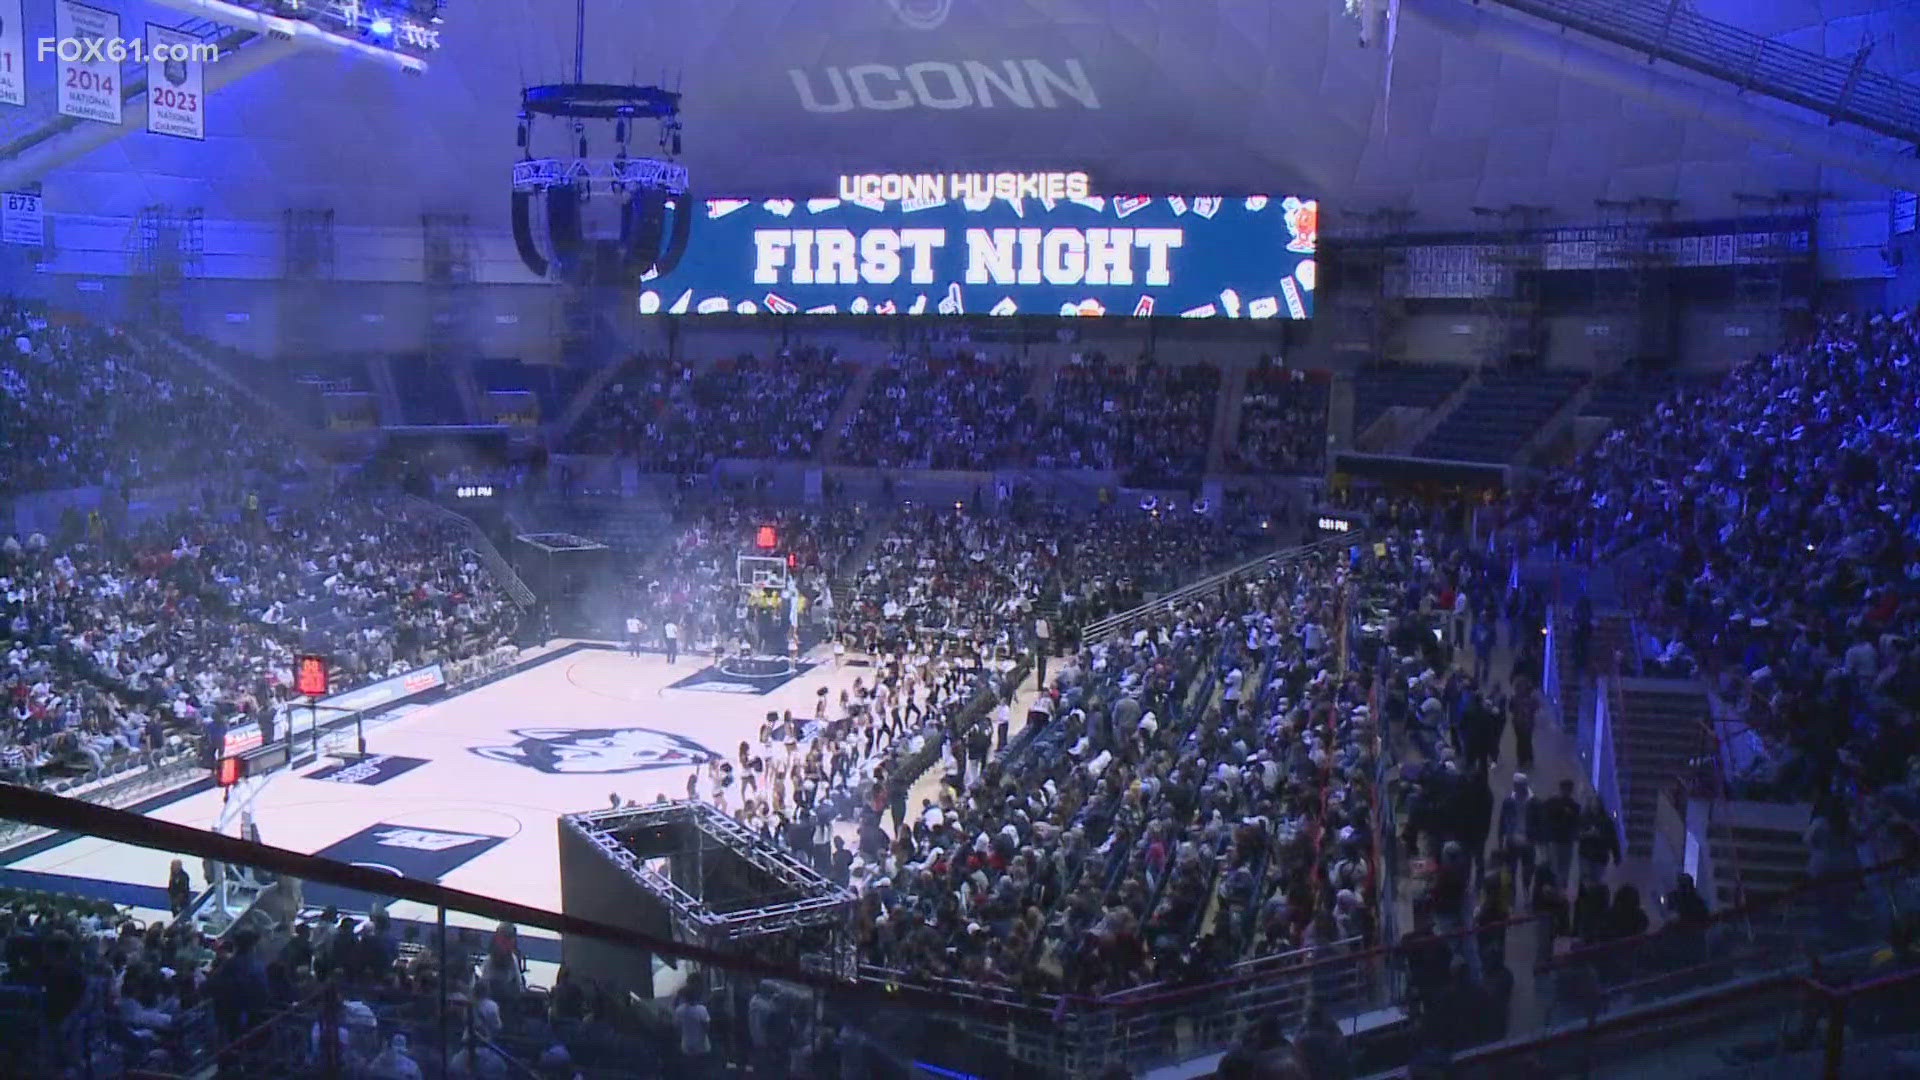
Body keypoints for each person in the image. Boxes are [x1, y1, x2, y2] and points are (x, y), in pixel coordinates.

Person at [1538, 779, 1580, 889]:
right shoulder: (1557, 803)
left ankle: (1559, 888)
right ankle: (1559, 888)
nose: (1565, 792)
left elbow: (1576, 822)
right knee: (1560, 867)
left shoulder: (1572, 806)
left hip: (1562, 840)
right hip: (1558, 839)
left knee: (1560, 867)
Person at [1576, 797, 1621, 890]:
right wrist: (1586, 834)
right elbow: (1576, 833)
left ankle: (1592, 898)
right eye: (1594, 804)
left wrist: (1617, 855)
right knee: (1585, 878)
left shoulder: (1606, 822)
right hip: (1586, 853)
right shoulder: (1584, 818)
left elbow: (1612, 839)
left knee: (1596, 881)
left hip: (1599, 856)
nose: (1595, 806)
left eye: (1597, 804)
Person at [675, 987, 713, 1074]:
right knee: (703, 1071)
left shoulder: (679, 1011)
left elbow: (677, 1027)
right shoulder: (701, 1010)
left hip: (687, 1046)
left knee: (690, 1072)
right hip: (702, 1046)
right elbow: (707, 1027)